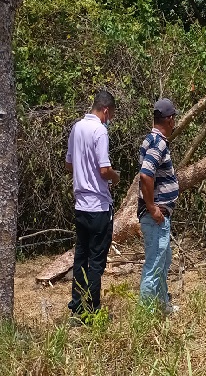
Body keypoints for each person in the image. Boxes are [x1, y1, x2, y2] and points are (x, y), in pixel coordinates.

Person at [65, 90, 120, 316]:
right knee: (96, 261)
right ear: (105, 110)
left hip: (80, 205)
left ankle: (77, 305)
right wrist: (116, 177)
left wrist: (82, 170)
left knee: (81, 257)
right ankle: (92, 308)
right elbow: (104, 170)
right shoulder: (100, 131)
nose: (110, 119)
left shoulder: (76, 128)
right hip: (98, 206)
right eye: (111, 114)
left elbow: (69, 165)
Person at [138, 98, 179, 314]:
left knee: (163, 262)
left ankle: (163, 307)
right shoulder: (158, 142)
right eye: (174, 119)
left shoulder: (150, 139)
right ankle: (145, 317)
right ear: (170, 119)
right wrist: (152, 207)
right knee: (154, 266)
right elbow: (146, 174)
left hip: (158, 216)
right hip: (155, 216)